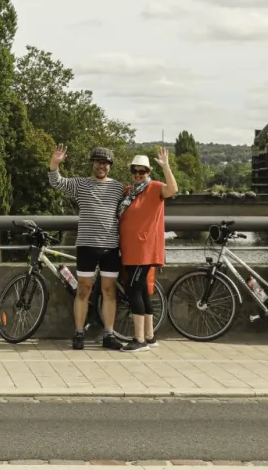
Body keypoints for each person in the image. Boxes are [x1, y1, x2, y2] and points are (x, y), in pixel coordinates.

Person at [49, 145, 124, 351]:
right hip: (86, 245)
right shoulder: (81, 184)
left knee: (109, 291)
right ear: (93, 164)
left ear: (110, 166)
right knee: (84, 290)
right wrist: (55, 163)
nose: (101, 166)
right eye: (98, 162)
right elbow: (56, 182)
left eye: (105, 163)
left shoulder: (118, 188)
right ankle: (79, 332)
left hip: (110, 246)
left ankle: (109, 334)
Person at [118, 148, 178, 353]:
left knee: (133, 290)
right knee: (142, 291)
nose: (137, 174)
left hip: (143, 249)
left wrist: (166, 166)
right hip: (131, 248)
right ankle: (150, 337)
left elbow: (172, 189)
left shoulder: (154, 188)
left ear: (148, 172)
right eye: (134, 171)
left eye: (142, 171)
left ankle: (139, 339)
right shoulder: (129, 191)